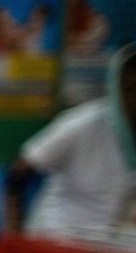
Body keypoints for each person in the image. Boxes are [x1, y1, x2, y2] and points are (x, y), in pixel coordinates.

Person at [10, 42, 136, 237]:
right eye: (128, 89)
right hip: (59, 238)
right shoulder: (85, 123)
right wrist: (15, 235)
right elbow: (19, 172)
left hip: (111, 242)